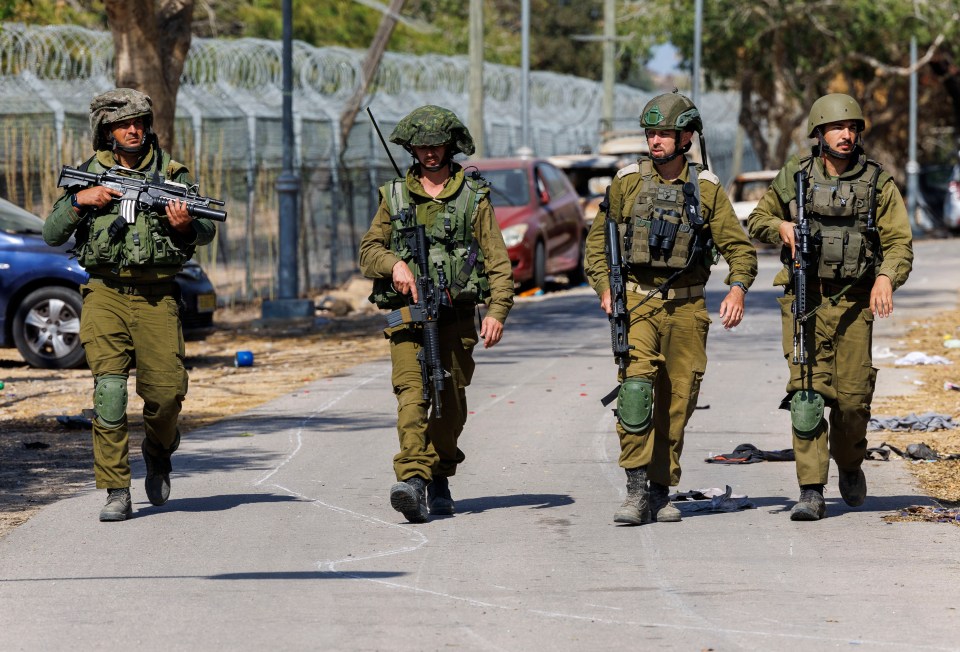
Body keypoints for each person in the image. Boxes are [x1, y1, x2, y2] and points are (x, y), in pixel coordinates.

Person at [43, 88, 217, 522]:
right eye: (123, 124)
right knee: (109, 392)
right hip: (104, 294)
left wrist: (184, 227)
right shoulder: (88, 174)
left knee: (166, 397)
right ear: (106, 130)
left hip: (158, 297)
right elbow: (51, 233)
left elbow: (205, 231)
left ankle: (158, 453)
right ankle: (116, 490)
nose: (133, 130)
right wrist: (83, 201)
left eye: (139, 122)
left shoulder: (171, 173)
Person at [585, 90, 758, 525]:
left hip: (687, 310)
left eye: (665, 133)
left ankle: (662, 490)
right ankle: (636, 489)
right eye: (651, 133)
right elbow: (596, 249)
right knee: (637, 391)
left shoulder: (706, 190)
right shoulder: (627, 183)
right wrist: (607, 287)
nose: (656, 141)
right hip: (638, 303)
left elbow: (740, 250)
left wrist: (736, 289)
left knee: (678, 401)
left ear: (686, 138)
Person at [747, 93, 913, 521]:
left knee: (853, 402)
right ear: (819, 133)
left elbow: (899, 243)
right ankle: (811, 489)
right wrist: (780, 225)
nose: (846, 134)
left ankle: (851, 463)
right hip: (806, 298)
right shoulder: (795, 177)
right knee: (806, 394)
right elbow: (757, 219)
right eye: (837, 128)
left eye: (853, 127)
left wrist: (885, 277)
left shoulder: (878, 182)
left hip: (856, 303)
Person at [358, 105, 514, 523]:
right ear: (411, 148)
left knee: (449, 405)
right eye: (422, 146)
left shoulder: (473, 197)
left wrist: (497, 310)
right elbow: (368, 251)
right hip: (408, 318)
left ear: (450, 146)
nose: (429, 153)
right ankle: (412, 480)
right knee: (413, 397)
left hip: (457, 318)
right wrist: (395, 265)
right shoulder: (393, 196)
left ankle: (440, 474)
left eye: (436, 145)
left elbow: (498, 262)